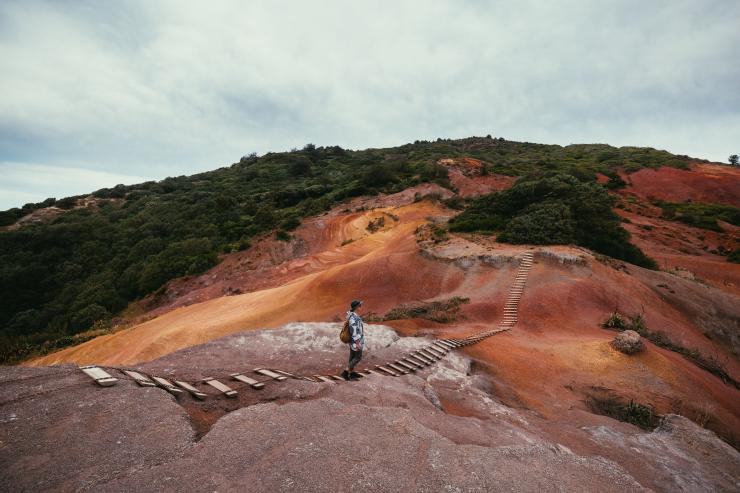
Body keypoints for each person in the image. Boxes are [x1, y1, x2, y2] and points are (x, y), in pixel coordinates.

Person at [342, 300, 364, 381]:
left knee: (352, 356)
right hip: (356, 340)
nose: (361, 307)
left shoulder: (352, 315)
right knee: (358, 357)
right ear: (356, 307)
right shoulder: (353, 318)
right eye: (360, 305)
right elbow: (354, 330)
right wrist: (357, 342)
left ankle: (351, 373)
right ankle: (345, 372)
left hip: (353, 340)